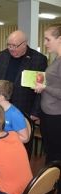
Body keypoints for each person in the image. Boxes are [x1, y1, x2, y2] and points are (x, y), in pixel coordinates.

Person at [0, 30, 47, 120]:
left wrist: (35, 111)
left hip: (23, 106)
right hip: (0, 104)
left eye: (15, 46)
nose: (11, 48)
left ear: (24, 44)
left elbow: (41, 88)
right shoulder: (2, 55)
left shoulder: (38, 59)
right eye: (9, 45)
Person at [34, 24, 61, 164]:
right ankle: (51, 181)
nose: (44, 43)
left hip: (56, 117)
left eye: (48, 39)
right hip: (48, 114)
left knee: (55, 155)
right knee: (50, 153)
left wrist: (44, 87)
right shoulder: (56, 59)